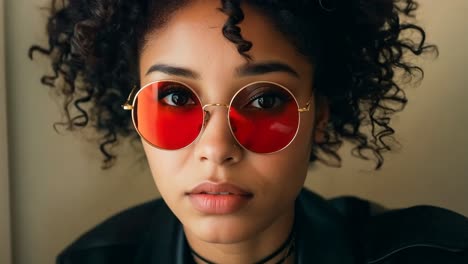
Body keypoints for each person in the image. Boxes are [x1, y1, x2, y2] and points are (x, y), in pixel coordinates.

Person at [30, 0, 468, 263]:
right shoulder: (91, 261)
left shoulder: (434, 254)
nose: (217, 148)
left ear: (320, 116)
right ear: (133, 112)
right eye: (176, 98)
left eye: (264, 100)